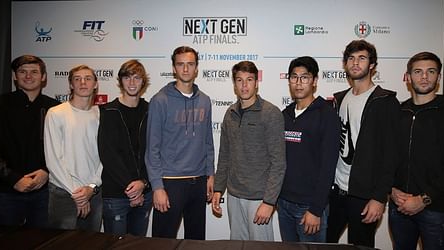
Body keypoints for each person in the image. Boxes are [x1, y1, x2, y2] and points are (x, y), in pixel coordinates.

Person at [389, 52, 444, 250]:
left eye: (431, 71)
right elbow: (388, 157)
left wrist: (423, 199)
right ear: (408, 77)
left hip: (436, 210)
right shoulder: (398, 113)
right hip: (399, 207)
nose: (424, 77)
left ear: (439, 77)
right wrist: (390, 190)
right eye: (418, 72)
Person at [326, 40, 400, 247]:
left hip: (365, 195)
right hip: (336, 191)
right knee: (324, 243)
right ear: (345, 64)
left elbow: (391, 156)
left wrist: (379, 198)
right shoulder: (340, 99)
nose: (355, 63)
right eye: (351, 58)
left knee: (361, 245)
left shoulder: (385, 102)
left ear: (372, 65)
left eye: (362, 58)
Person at [0, 55, 59, 228]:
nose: (28, 76)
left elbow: (64, 149)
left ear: (43, 77)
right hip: (5, 192)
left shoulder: (56, 108)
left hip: (45, 192)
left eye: (34, 72)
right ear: (14, 76)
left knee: (43, 243)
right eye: (22, 71)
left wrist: (46, 172)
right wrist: (13, 178)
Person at [212, 61, 286, 241]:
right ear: (234, 84)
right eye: (239, 80)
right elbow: (224, 156)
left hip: (259, 198)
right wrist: (218, 189)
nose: (244, 85)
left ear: (256, 83)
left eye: (249, 80)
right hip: (234, 196)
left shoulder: (271, 113)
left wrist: (269, 201)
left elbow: (279, 163)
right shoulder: (230, 113)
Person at [145, 46, 214, 240]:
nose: (185, 69)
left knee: (196, 241)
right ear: (174, 68)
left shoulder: (205, 101)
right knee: (163, 241)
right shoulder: (160, 101)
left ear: (196, 69)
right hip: (170, 183)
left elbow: (208, 141)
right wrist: (157, 187)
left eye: (190, 64)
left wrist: (210, 174)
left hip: (199, 181)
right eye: (180, 64)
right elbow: (152, 149)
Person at [277, 56, 340, 242]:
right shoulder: (285, 115)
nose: (298, 83)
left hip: (309, 207)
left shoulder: (326, 115)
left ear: (314, 81)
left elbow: (328, 166)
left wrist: (316, 209)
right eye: (294, 77)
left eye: (304, 77)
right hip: (284, 203)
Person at [44, 64, 103, 231]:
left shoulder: (101, 115)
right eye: (77, 79)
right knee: (62, 244)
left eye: (88, 78)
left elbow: (105, 155)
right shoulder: (56, 113)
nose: (83, 82)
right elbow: (53, 159)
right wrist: (78, 195)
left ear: (96, 84)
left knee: (92, 243)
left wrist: (91, 187)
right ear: (71, 85)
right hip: (63, 192)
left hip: (94, 192)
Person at [98, 59, 152, 236]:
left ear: (143, 81)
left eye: (136, 78)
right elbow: (108, 154)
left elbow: (154, 151)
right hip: (116, 193)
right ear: (120, 81)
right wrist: (131, 188)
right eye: (127, 77)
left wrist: (143, 183)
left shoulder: (150, 110)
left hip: (145, 192)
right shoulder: (108, 111)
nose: (132, 82)